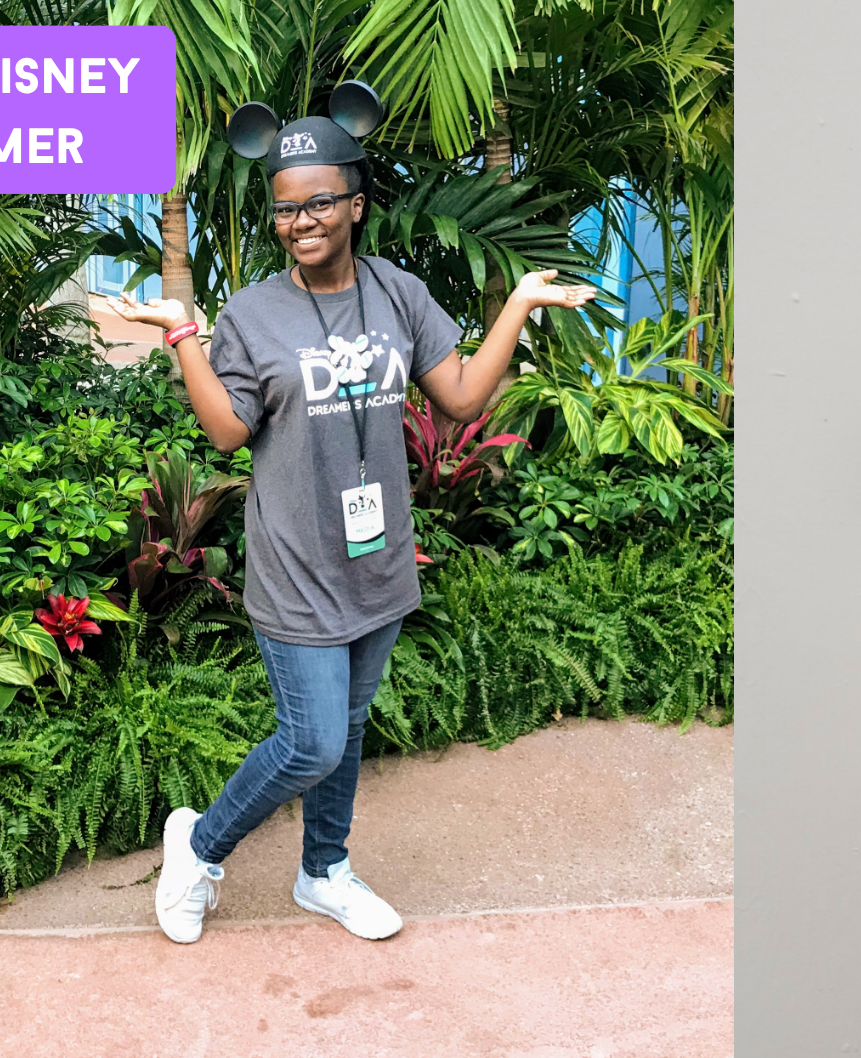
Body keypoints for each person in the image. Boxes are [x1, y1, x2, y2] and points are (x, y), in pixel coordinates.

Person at [107, 108, 594, 944]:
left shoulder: (398, 292)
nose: (301, 221)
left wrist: (517, 303)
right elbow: (226, 431)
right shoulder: (254, 314)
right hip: (296, 562)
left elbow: (462, 397)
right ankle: (200, 846)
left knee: (351, 727)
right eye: (285, 208)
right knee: (313, 742)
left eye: (319, 203)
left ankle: (323, 870)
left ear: (357, 203)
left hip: (378, 558)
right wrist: (184, 335)